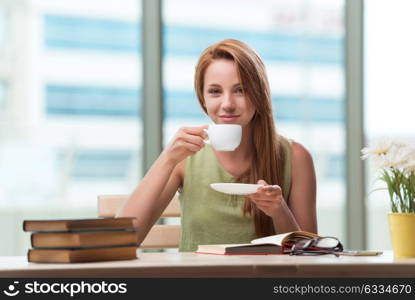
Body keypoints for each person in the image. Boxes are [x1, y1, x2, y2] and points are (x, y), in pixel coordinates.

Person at [117, 39, 317, 252]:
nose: (228, 104)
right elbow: (122, 239)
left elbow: (310, 257)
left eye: (240, 90)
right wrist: (167, 159)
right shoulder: (185, 156)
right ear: (203, 99)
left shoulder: (295, 157)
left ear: (259, 94)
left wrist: (279, 211)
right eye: (215, 91)